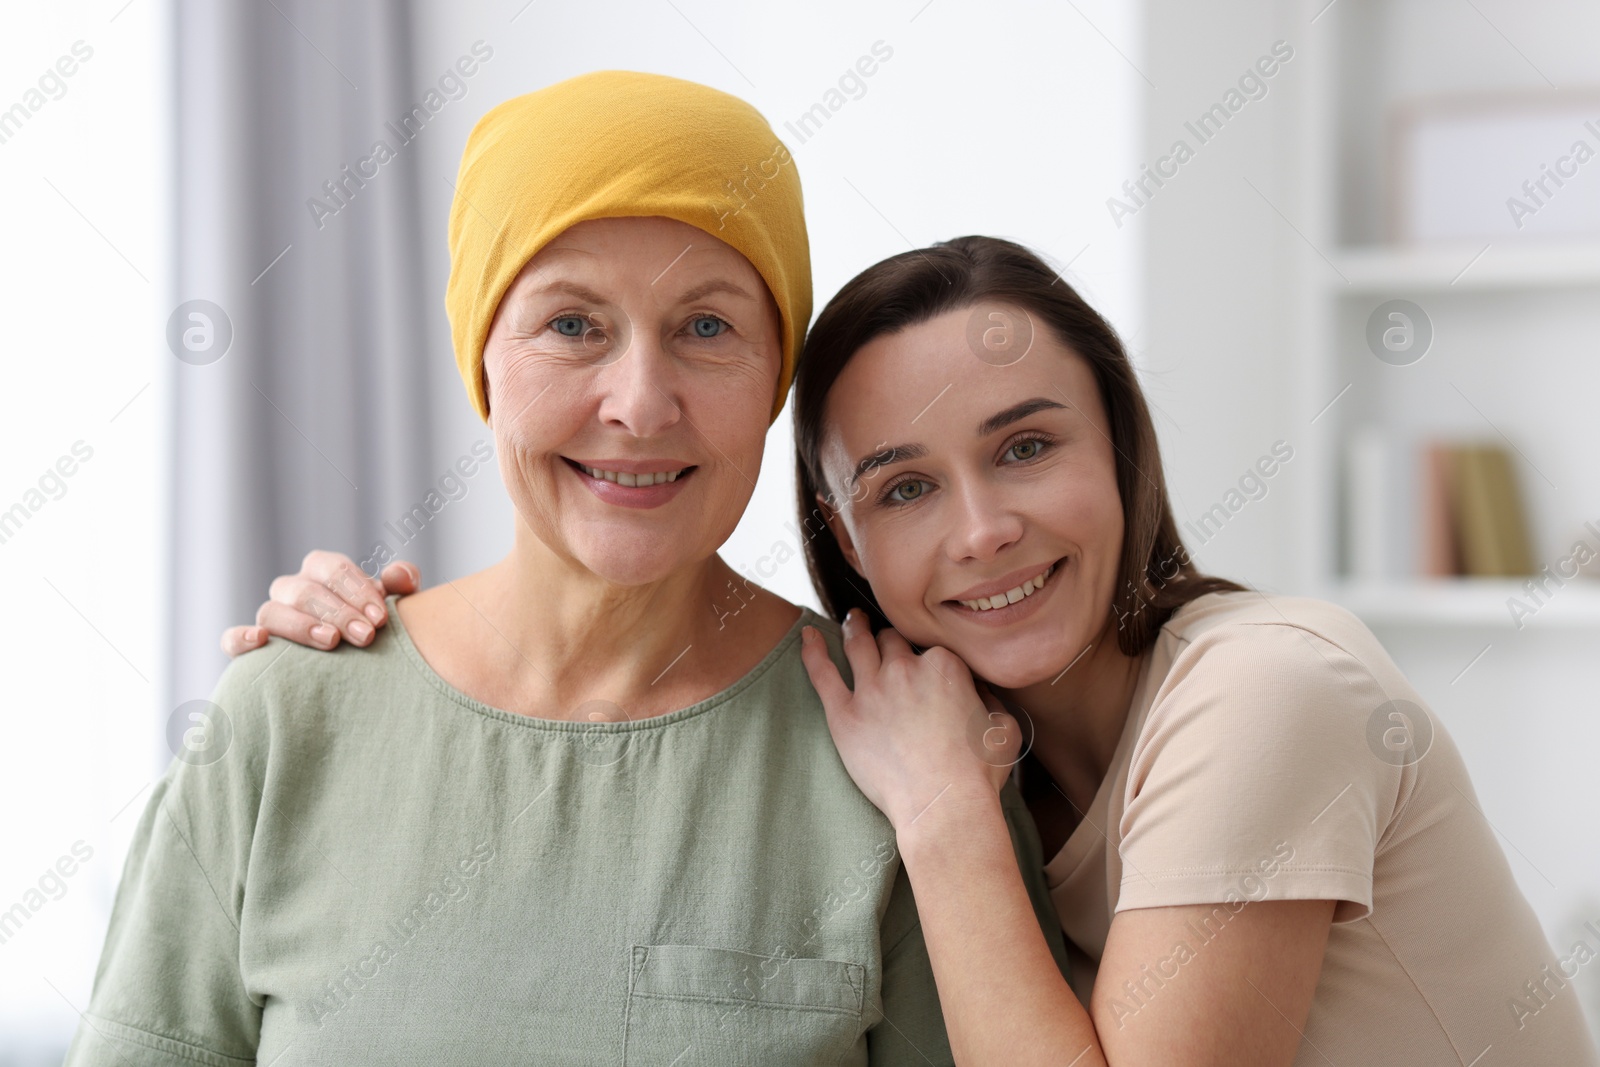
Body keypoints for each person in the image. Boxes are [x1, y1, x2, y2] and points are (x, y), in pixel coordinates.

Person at [243, 235, 1600, 1067]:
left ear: (1120, 445)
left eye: (1025, 445)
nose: (981, 530)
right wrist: (366, 641)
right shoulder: (968, 735)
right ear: (843, 534)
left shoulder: (1266, 689)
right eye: (903, 486)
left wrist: (946, 813)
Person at [65, 76, 1068, 1066]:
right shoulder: (282, 718)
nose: (639, 401)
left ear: (773, 377)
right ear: (483, 360)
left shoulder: (908, 749)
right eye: (573, 324)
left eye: (707, 326)